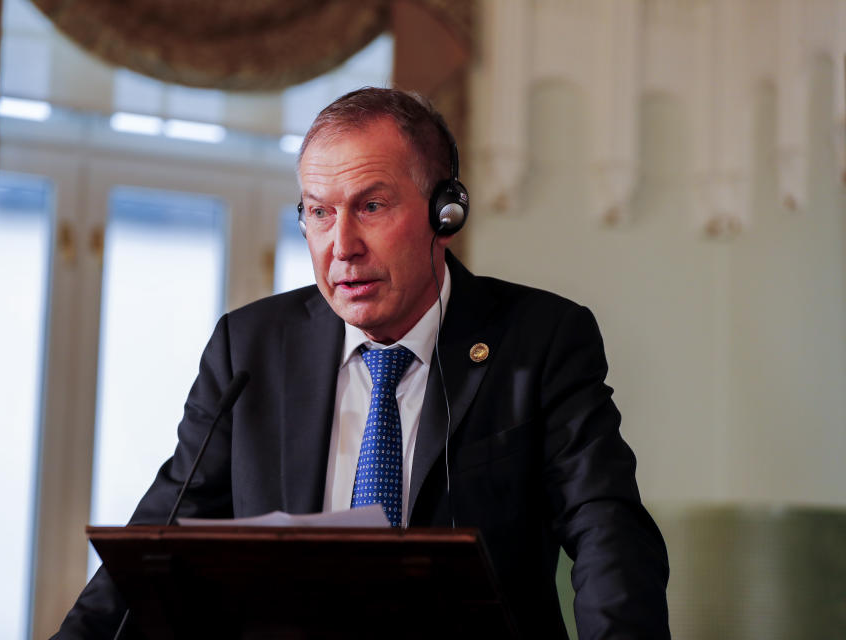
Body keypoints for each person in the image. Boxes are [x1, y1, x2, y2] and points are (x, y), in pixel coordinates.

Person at [53, 87, 669, 639]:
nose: (341, 246)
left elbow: (604, 526)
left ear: (443, 214)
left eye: (371, 207)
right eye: (319, 212)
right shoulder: (251, 348)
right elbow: (159, 542)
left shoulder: (539, 339)